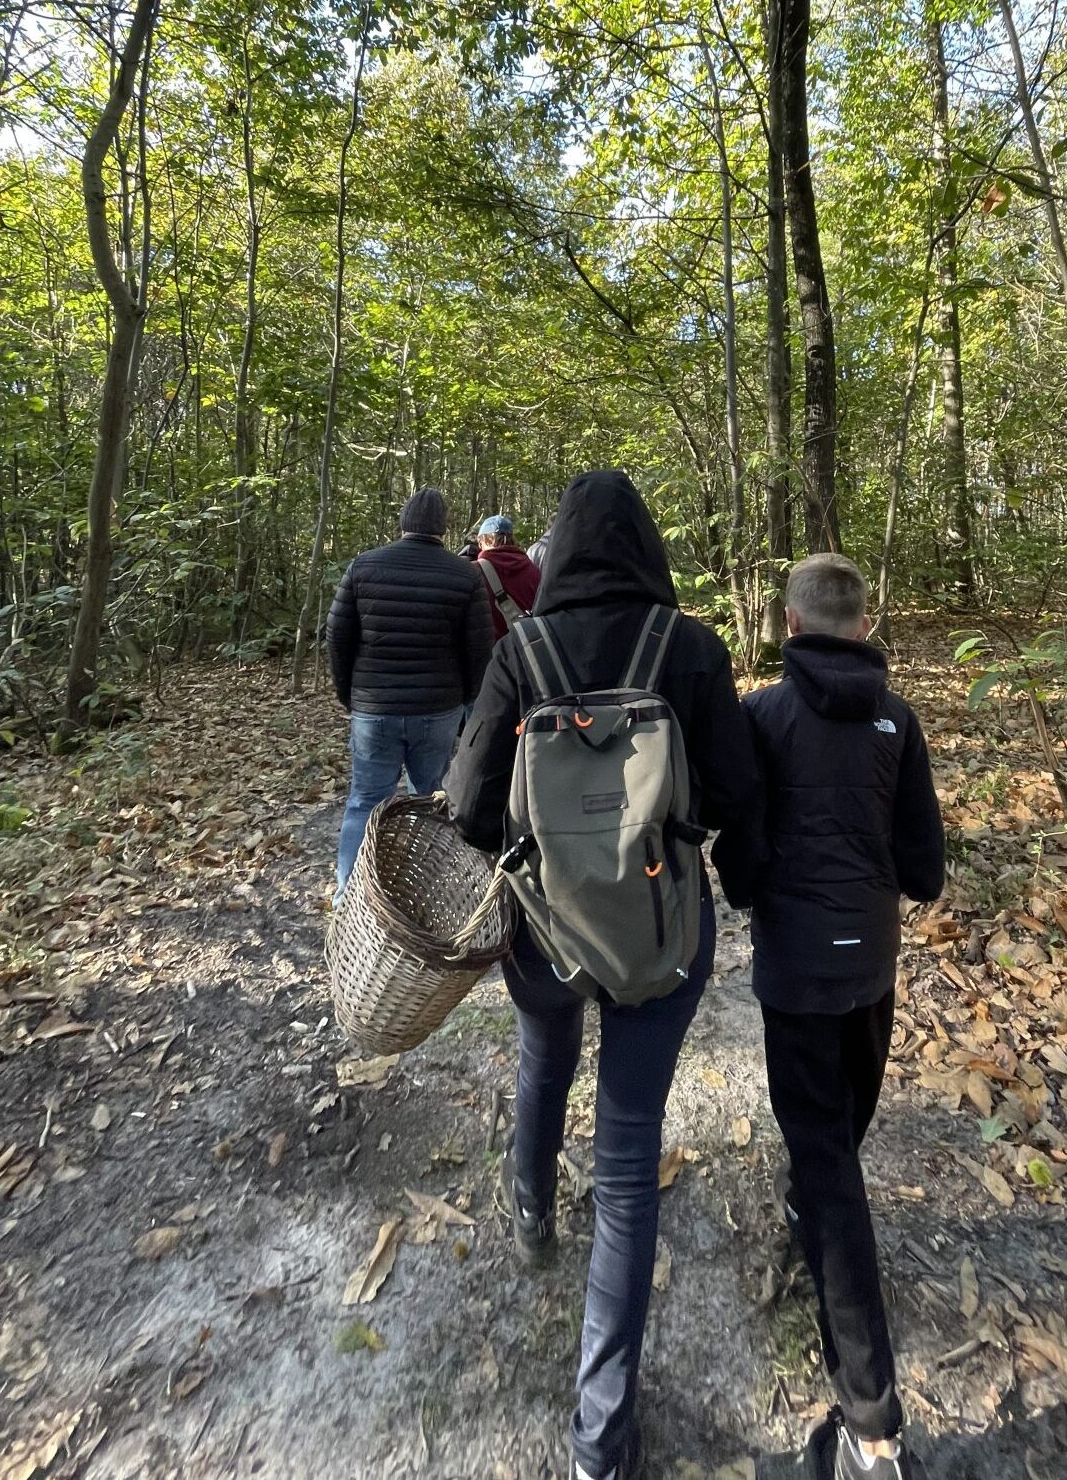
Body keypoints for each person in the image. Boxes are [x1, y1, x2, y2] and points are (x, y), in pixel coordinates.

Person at [447, 470, 757, 1480]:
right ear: (649, 547)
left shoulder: (520, 649)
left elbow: (466, 805)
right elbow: (736, 791)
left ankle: (531, 1206)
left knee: (543, 1061)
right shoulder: (693, 647)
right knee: (627, 1167)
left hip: (544, 928)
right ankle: (600, 1441)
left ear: (559, 547)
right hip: (660, 929)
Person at [714, 554, 944, 1480]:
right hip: (870, 968)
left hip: (798, 972)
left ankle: (872, 1426)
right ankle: (816, 1204)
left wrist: (757, 889)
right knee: (834, 1141)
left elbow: (741, 845)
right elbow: (923, 865)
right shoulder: (901, 718)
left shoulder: (764, 713)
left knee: (829, 1161)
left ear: (789, 622)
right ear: (862, 623)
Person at [328, 487, 493, 889]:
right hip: (438, 710)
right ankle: (423, 890)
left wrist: (349, 692)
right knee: (430, 798)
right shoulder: (464, 575)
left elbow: (337, 635)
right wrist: (466, 698)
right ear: (443, 528)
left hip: (374, 708)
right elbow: (480, 647)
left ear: (402, 522)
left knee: (365, 800)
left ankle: (348, 895)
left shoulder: (364, 566)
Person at [475, 513, 541, 637]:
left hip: (491, 651)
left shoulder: (474, 572)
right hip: (527, 647)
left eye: (480, 542)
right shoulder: (534, 570)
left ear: (486, 540)